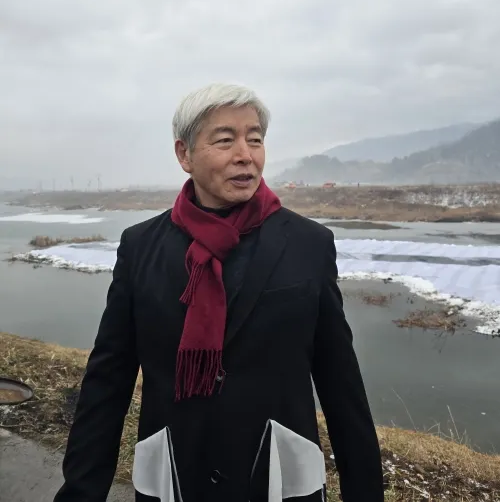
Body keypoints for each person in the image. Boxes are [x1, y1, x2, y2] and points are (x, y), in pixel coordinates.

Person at [54, 83, 384, 502]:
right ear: (184, 155)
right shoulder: (141, 247)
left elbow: (341, 384)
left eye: (255, 139)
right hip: (173, 474)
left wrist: (366, 491)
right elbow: (108, 381)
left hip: (279, 475)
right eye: (225, 140)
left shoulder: (308, 244)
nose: (245, 154)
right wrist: (81, 491)